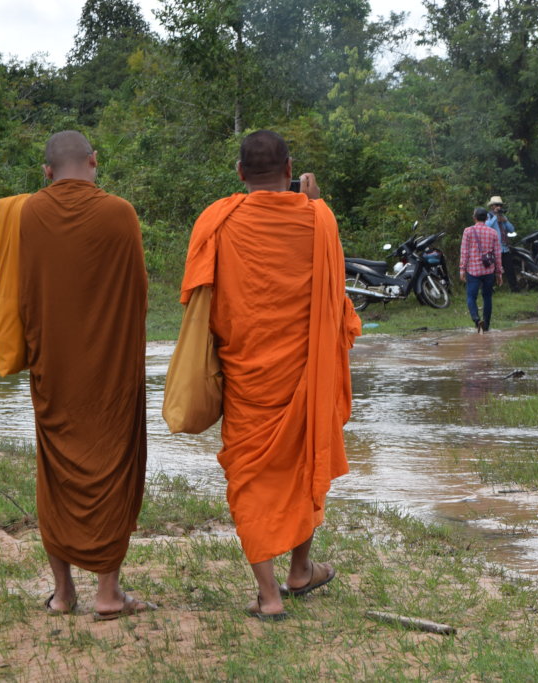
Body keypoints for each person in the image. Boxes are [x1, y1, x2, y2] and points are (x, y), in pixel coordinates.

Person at [179, 130, 360, 620]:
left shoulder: (218, 220)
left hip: (247, 376)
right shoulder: (319, 217)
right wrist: (314, 203)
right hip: (305, 372)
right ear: (290, 169)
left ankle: (272, 594)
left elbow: (199, 298)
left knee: (250, 477)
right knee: (305, 463)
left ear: (240, 173)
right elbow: (335, 291)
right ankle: (299, 567)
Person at [0, 130, 152, 620]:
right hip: (110, 371)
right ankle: (108, 593)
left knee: (55, 472)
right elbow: (138, 293)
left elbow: (18, 292)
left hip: (53, 368)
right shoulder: (120, 212)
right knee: (111, 468)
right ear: (94, 162)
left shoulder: (25, 214)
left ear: (47, 171)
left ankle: (62, 594)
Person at [460, 206, 504, 332]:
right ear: (486, 218)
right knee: (487, 297)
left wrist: (462, 269)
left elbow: (464, 252)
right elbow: (497, 254)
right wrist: (499, 273)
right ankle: (486, 326)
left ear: (474, 218)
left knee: (471, 296)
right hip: (488, 271)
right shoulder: (493, 233)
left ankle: (476, 319)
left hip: (473, 271)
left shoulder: (468, 231)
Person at [486, 196, 519, 292]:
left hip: (504, 248)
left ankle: (514, 288)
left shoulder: (503, 217)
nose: (499, 207)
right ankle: (490, 289)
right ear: (492, 206)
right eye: (497, 205)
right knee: (491, 270)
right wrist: (495, 218)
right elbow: (487, 226)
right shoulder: (489, 216)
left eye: (500, 205)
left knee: (509, 269)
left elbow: (512, 229)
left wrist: (506, 220)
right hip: (493, 248)